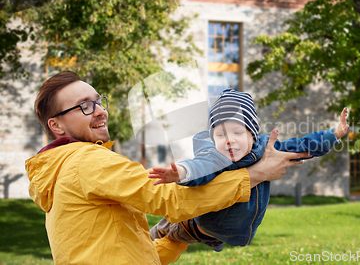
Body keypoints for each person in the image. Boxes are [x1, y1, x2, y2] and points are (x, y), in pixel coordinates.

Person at [25, 72, 309, 265]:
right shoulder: (87, 161)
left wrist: (178, 237)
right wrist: (256, 174)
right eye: (84, 106)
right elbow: (171, 199)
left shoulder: (59, 171)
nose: (100, 110)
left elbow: (129, 254)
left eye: (99, 101)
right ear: (57, 125)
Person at [148, 88, 350, 251]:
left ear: (253, 135)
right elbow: (199, 166)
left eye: (237, 132)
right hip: (192, 226)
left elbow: (302, 145)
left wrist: (334, 134)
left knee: (186, 242)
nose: (229, 140)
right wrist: (181, 172)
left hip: (228, 231)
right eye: (220, 135)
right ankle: (144, 239)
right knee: (159, 236)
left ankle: (215, 241)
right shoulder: (215, 156)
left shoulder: (267, 150)